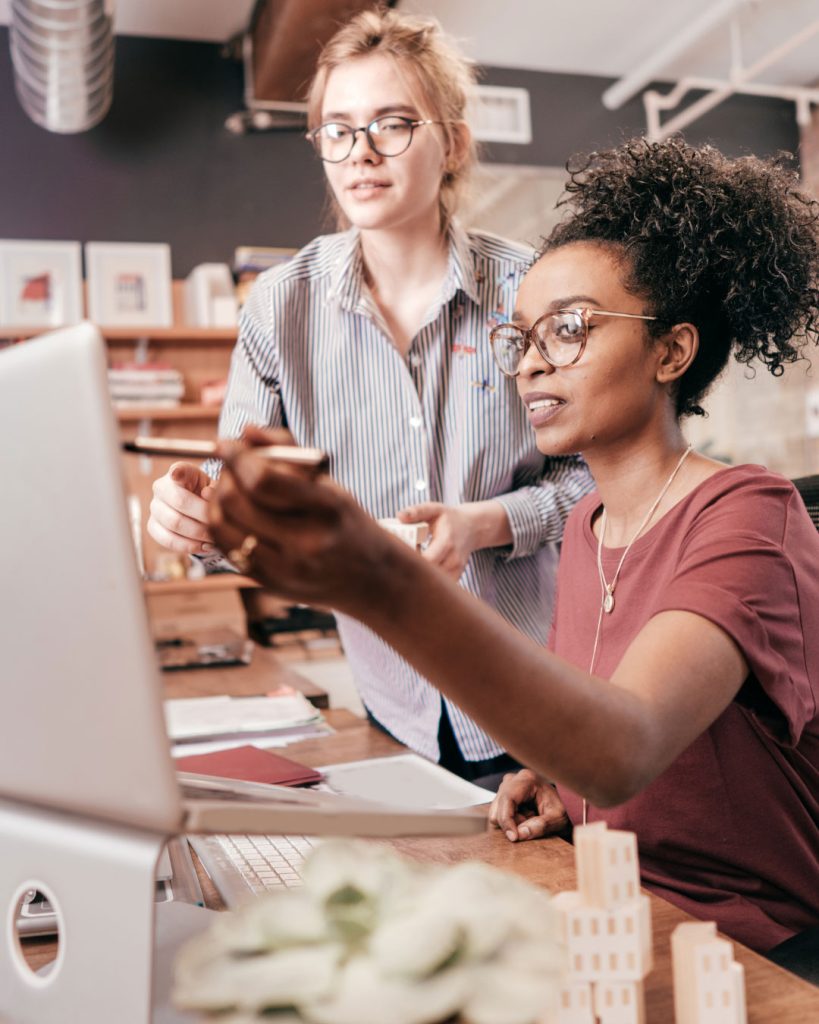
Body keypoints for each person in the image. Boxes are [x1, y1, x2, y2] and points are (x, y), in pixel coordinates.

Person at [206, 136, 819, 970]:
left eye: (567, 331)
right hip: (615, 910)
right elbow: (604, 741)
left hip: (756, 948)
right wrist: (551, 776)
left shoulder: (749, 515)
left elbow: (625, 748)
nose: (530, 364)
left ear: (670, 352)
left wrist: (381, 578)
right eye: (521, 338)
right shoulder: (587, 521)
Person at [146, 8, 592, 782]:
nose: (361, 154)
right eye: (337, 130)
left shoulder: (529, 289)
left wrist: (488, 522)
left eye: (391, 124)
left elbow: (602, 475)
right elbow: (241, 513)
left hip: (542, 692)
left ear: (450, 141)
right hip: (396, 706)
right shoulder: (278, 308)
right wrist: (197, 519)